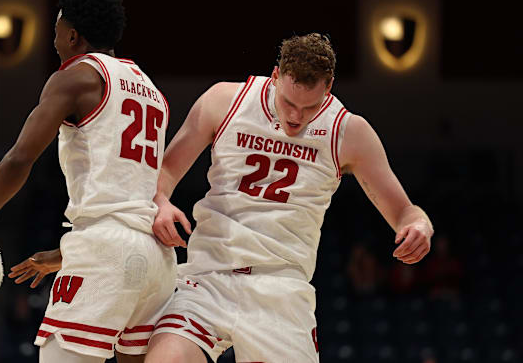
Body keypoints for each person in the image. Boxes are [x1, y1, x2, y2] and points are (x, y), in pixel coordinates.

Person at [144, 33, 434, 363]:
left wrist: (419, 225)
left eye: (309, 107)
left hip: (280, 289)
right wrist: (162, 203)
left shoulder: (349, 132)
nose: (296, 117)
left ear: (329, 87)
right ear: (276, 76)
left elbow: (405, 212)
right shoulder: (225, 101)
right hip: (208, 277)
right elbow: (164, 173)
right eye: (289, 103)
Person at [0, 0, 176, 363]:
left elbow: (20, 158)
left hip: (108, 248)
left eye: (57, 30)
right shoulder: (151, 90)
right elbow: (124, 195)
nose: (54, 40)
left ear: (73, 34)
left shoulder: (77, 75)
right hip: (156, 259)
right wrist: (67, 254)